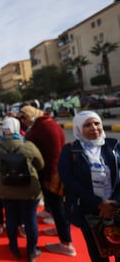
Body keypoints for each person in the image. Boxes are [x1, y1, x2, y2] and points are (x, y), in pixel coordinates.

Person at [58, 110, 120, 262]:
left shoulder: (114, 145)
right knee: (98, 253)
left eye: (97, 123)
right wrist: (99, 203)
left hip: (116, 208)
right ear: (79, 129)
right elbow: (69, 180)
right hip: (88, 210)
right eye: (87, 125)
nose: (94, 128)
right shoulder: (70, 150)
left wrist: (114, 203)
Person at [18, 105, 77, 256]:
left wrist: (50, 179)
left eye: (24, 117)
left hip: (52, 175)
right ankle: (60, 231)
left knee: (59, 209)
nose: (22, 121)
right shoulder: (43, 124)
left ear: (32, 114)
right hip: (51, 174)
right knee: (57, 208)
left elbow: (55, 154)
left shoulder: (46, 126)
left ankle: (66, 244)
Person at [0, 117, 44, 261]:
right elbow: (41, 164)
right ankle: (32, 251)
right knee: (30, 220)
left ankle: (13, 247)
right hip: (29, 191)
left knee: (11, 218)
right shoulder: (28, 145)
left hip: (6, 191)